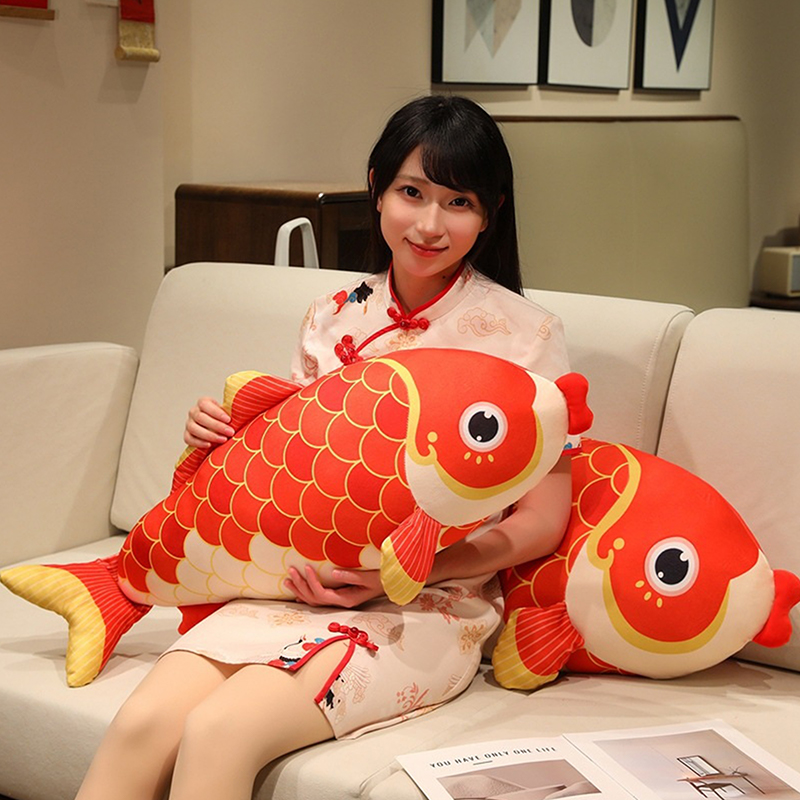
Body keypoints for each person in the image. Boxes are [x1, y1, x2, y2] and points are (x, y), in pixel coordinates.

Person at [76, 95, 577, 800]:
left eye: (458, 202)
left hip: (429, 607)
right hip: (295, 584)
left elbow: (543, 521)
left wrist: (404, 576)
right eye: (411, 193)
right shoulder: (331, 317)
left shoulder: (527, 336)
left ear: (491, 211)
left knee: (220, 731)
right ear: (376, 189)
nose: (430, 224)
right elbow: (294, 463)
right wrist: (221, 435)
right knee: (138, 726)